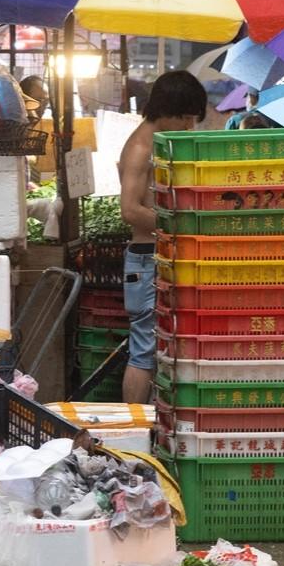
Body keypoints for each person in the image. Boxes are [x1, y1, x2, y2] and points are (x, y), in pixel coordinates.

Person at [118, 71, 207, 403]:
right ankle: (134, 429)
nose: (189, 126)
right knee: (144, 349)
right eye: (185, 118)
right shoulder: (141, 148)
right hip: (146, 258)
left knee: (156, 347)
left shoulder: (158, 144)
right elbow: (129, 210)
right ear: (168, 111)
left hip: (157, 255)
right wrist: (179, 224)